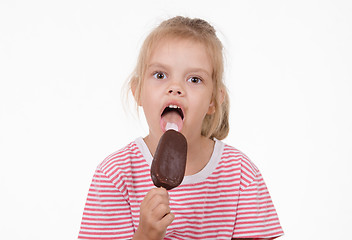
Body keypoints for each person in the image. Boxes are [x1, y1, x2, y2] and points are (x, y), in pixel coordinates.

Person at [78, 16, 283, 240]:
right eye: (160, 75)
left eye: (194, 79)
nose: (175, 88)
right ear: (137, 91)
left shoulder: (241, 175)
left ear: (214, 100)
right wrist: (145, 235)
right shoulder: (115, 175)